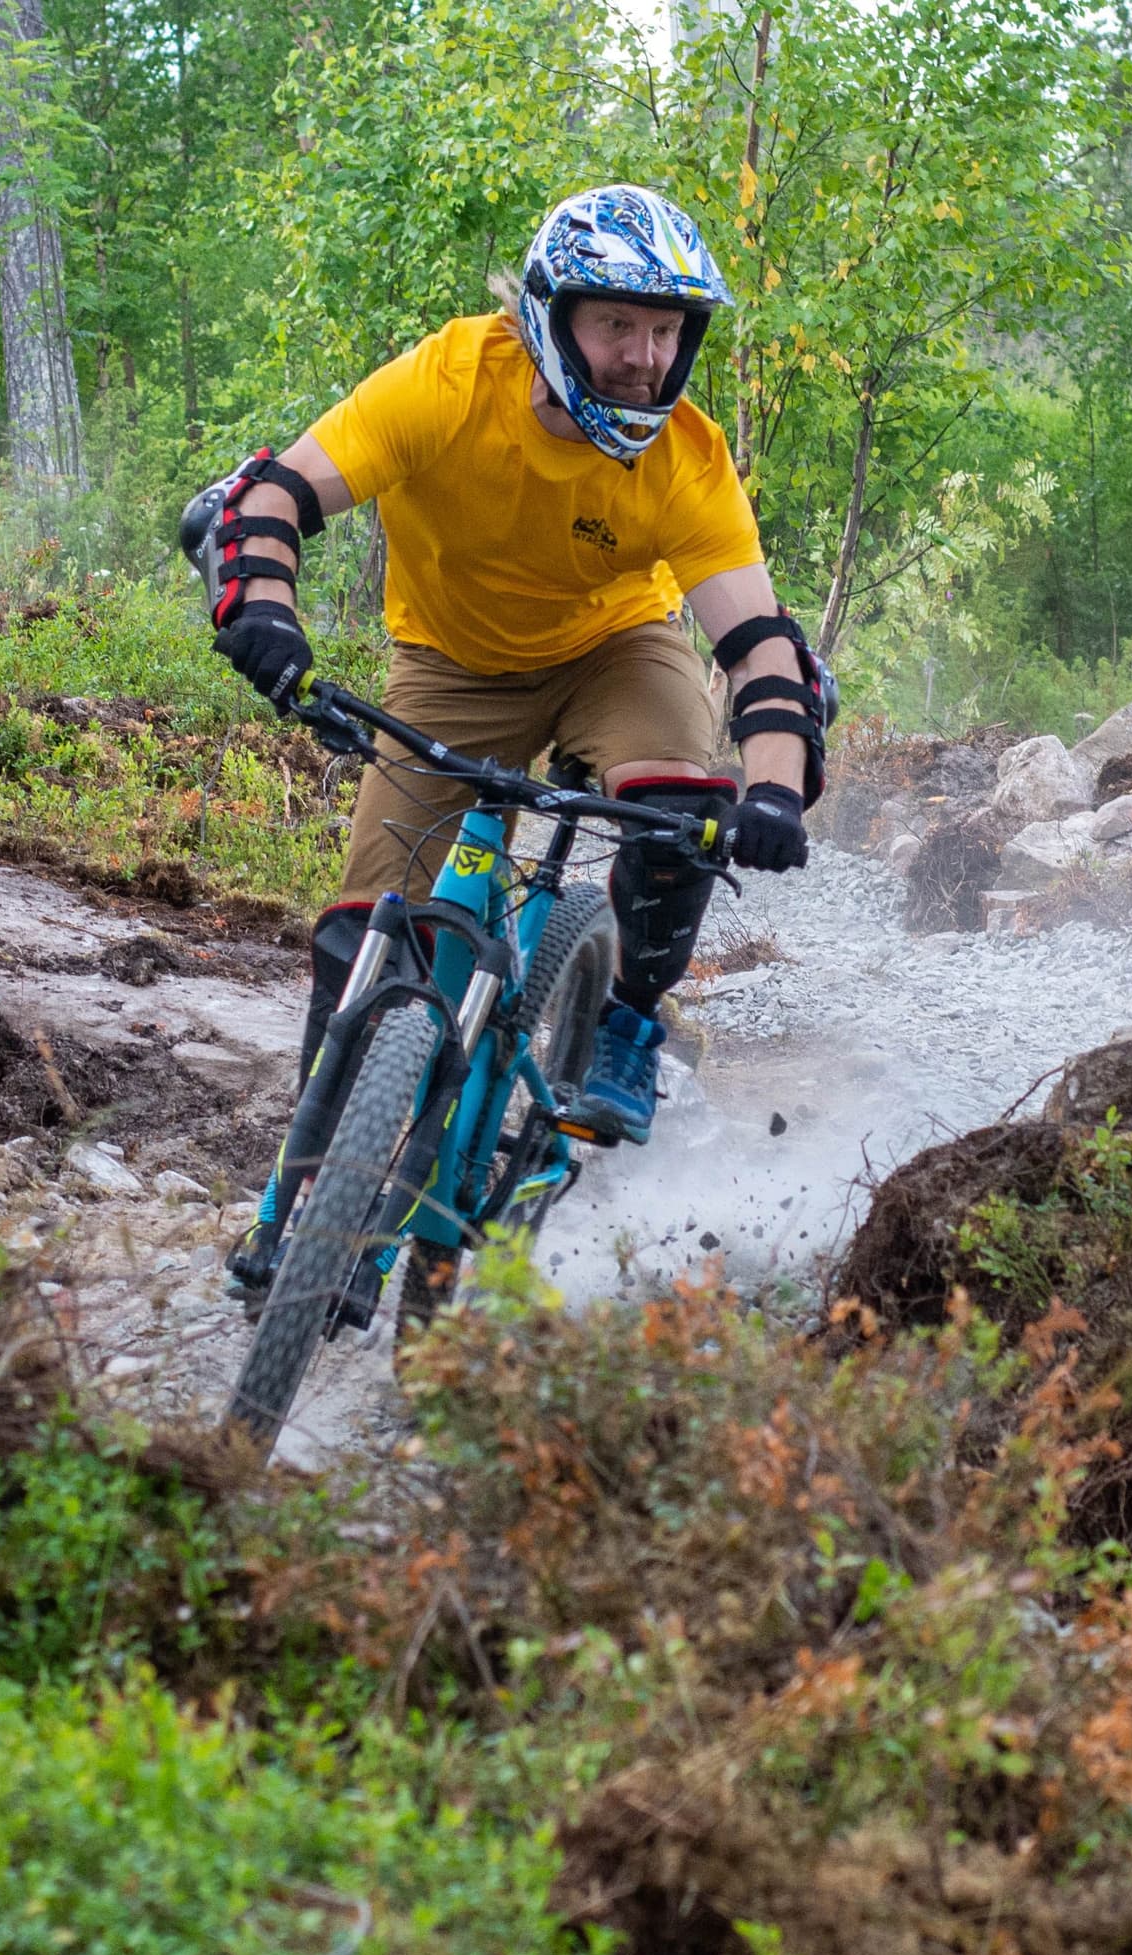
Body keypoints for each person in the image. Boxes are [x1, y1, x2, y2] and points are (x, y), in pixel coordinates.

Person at [192, 183, 833, 1299]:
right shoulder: (448, 382)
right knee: (363, 935)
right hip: (450, 665)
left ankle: (628, 1021)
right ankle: (305, 1202)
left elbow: (763, 650)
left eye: (667, 330)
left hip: (615, 650)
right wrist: (262, 612)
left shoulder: (685, 454)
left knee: (685, 803)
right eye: (617, 325)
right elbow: (273, 494)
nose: (645, 357)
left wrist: (773, 793)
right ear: (550, 316)